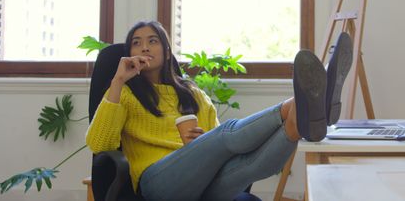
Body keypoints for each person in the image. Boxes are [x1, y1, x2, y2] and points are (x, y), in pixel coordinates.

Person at [86, 21, 353, 201]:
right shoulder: (126, 95)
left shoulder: (193, 94)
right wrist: (118, 81)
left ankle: (297, 123)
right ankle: (297, 105)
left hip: (203, 183)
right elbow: (100, 144)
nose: (144, 47)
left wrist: (201, 144)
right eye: (136, 42)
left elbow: (223, 147)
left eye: (153, 41)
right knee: (227, 133)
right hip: (158, 183)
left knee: (248, 167)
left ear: (167, 53)